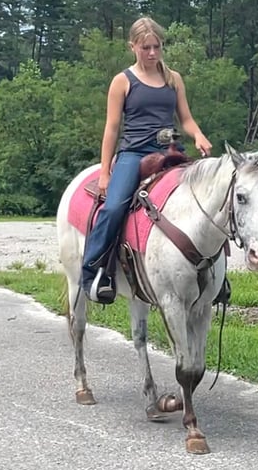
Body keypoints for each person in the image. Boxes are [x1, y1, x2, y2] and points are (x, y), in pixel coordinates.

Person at [82, 16, 213, 304]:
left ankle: (215, 277)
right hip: (134, 153)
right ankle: (92, 272)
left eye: (157, 47)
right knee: (114, 207)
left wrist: (198, 136)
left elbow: (186, 119)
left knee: (205, 197)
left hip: (170, 152)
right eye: (146, 48)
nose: (152, 53)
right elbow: (112, 128)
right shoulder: (122, 81)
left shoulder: (173, 79)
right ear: (133, 47)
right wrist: (105, 173)